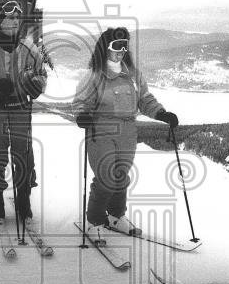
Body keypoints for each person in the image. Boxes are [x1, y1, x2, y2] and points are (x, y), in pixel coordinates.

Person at [73, 26, 178, 239]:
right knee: (106, 176)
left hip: (128, 130)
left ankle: (116, 216)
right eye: (116, 45)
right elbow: (81, 102)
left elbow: (145, 100)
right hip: (102, 129)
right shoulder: (94, 75)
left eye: (124, 45)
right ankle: (94, 220)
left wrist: (161, 114)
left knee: (120, 176)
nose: (121, 50)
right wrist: (82, 115)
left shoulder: (132, 75)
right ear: (105, 47)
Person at [0, 0, 48, 225]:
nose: (14, 21)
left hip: (21, 105)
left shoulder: (30, 48)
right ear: (0, 20)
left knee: (23, 154)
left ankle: (24, 201)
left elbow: (41, 74)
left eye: (17, 18)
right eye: (9, 17)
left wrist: (37, 85)